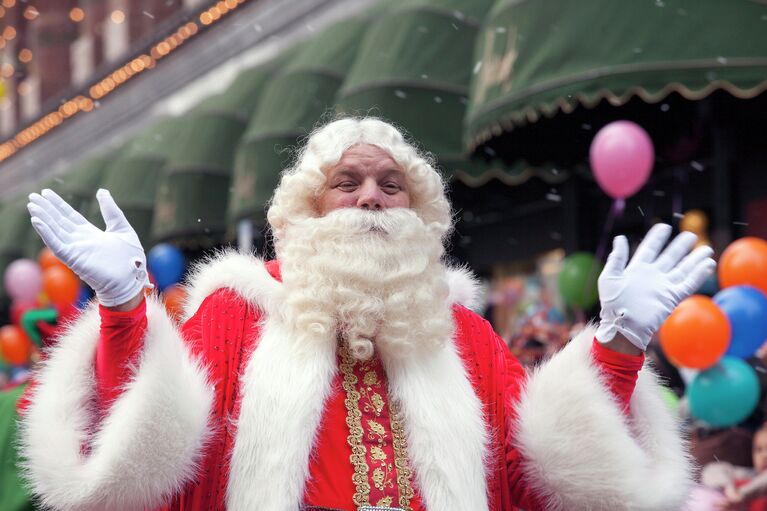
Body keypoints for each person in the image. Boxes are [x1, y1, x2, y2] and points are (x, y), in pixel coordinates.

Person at [20, 117, 714, 511]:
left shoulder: (460, 335)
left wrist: (617, 347)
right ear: (307, 210)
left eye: (391, 184)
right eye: (345, 183)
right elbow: (145, 468)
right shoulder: (238, 316)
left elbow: (539, 476)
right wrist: (121, 311)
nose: (372, 198)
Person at [702, 423, 767, 510]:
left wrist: (742, 494)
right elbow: (711, 470)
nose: (764, 455)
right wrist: (730, 488)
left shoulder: (753, 485)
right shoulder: (748, 475)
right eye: (759, 449)